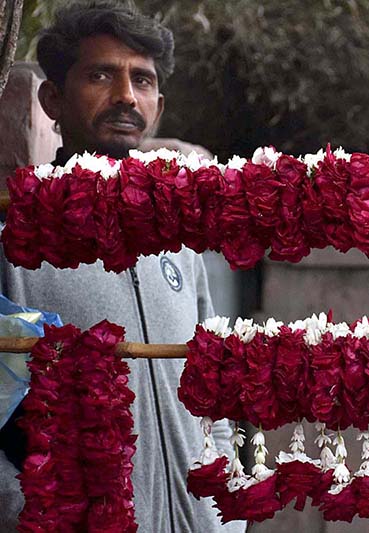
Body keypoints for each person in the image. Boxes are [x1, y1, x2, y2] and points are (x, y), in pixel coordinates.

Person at [0, 2, 244, 532]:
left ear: (158, 104)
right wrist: (27, 512)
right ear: (53, 99)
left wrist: (222, 513)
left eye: (143, 80)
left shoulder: (179, 238)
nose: (126, 96)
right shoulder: (15, 239)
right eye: (100, 74)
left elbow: (211, 386)